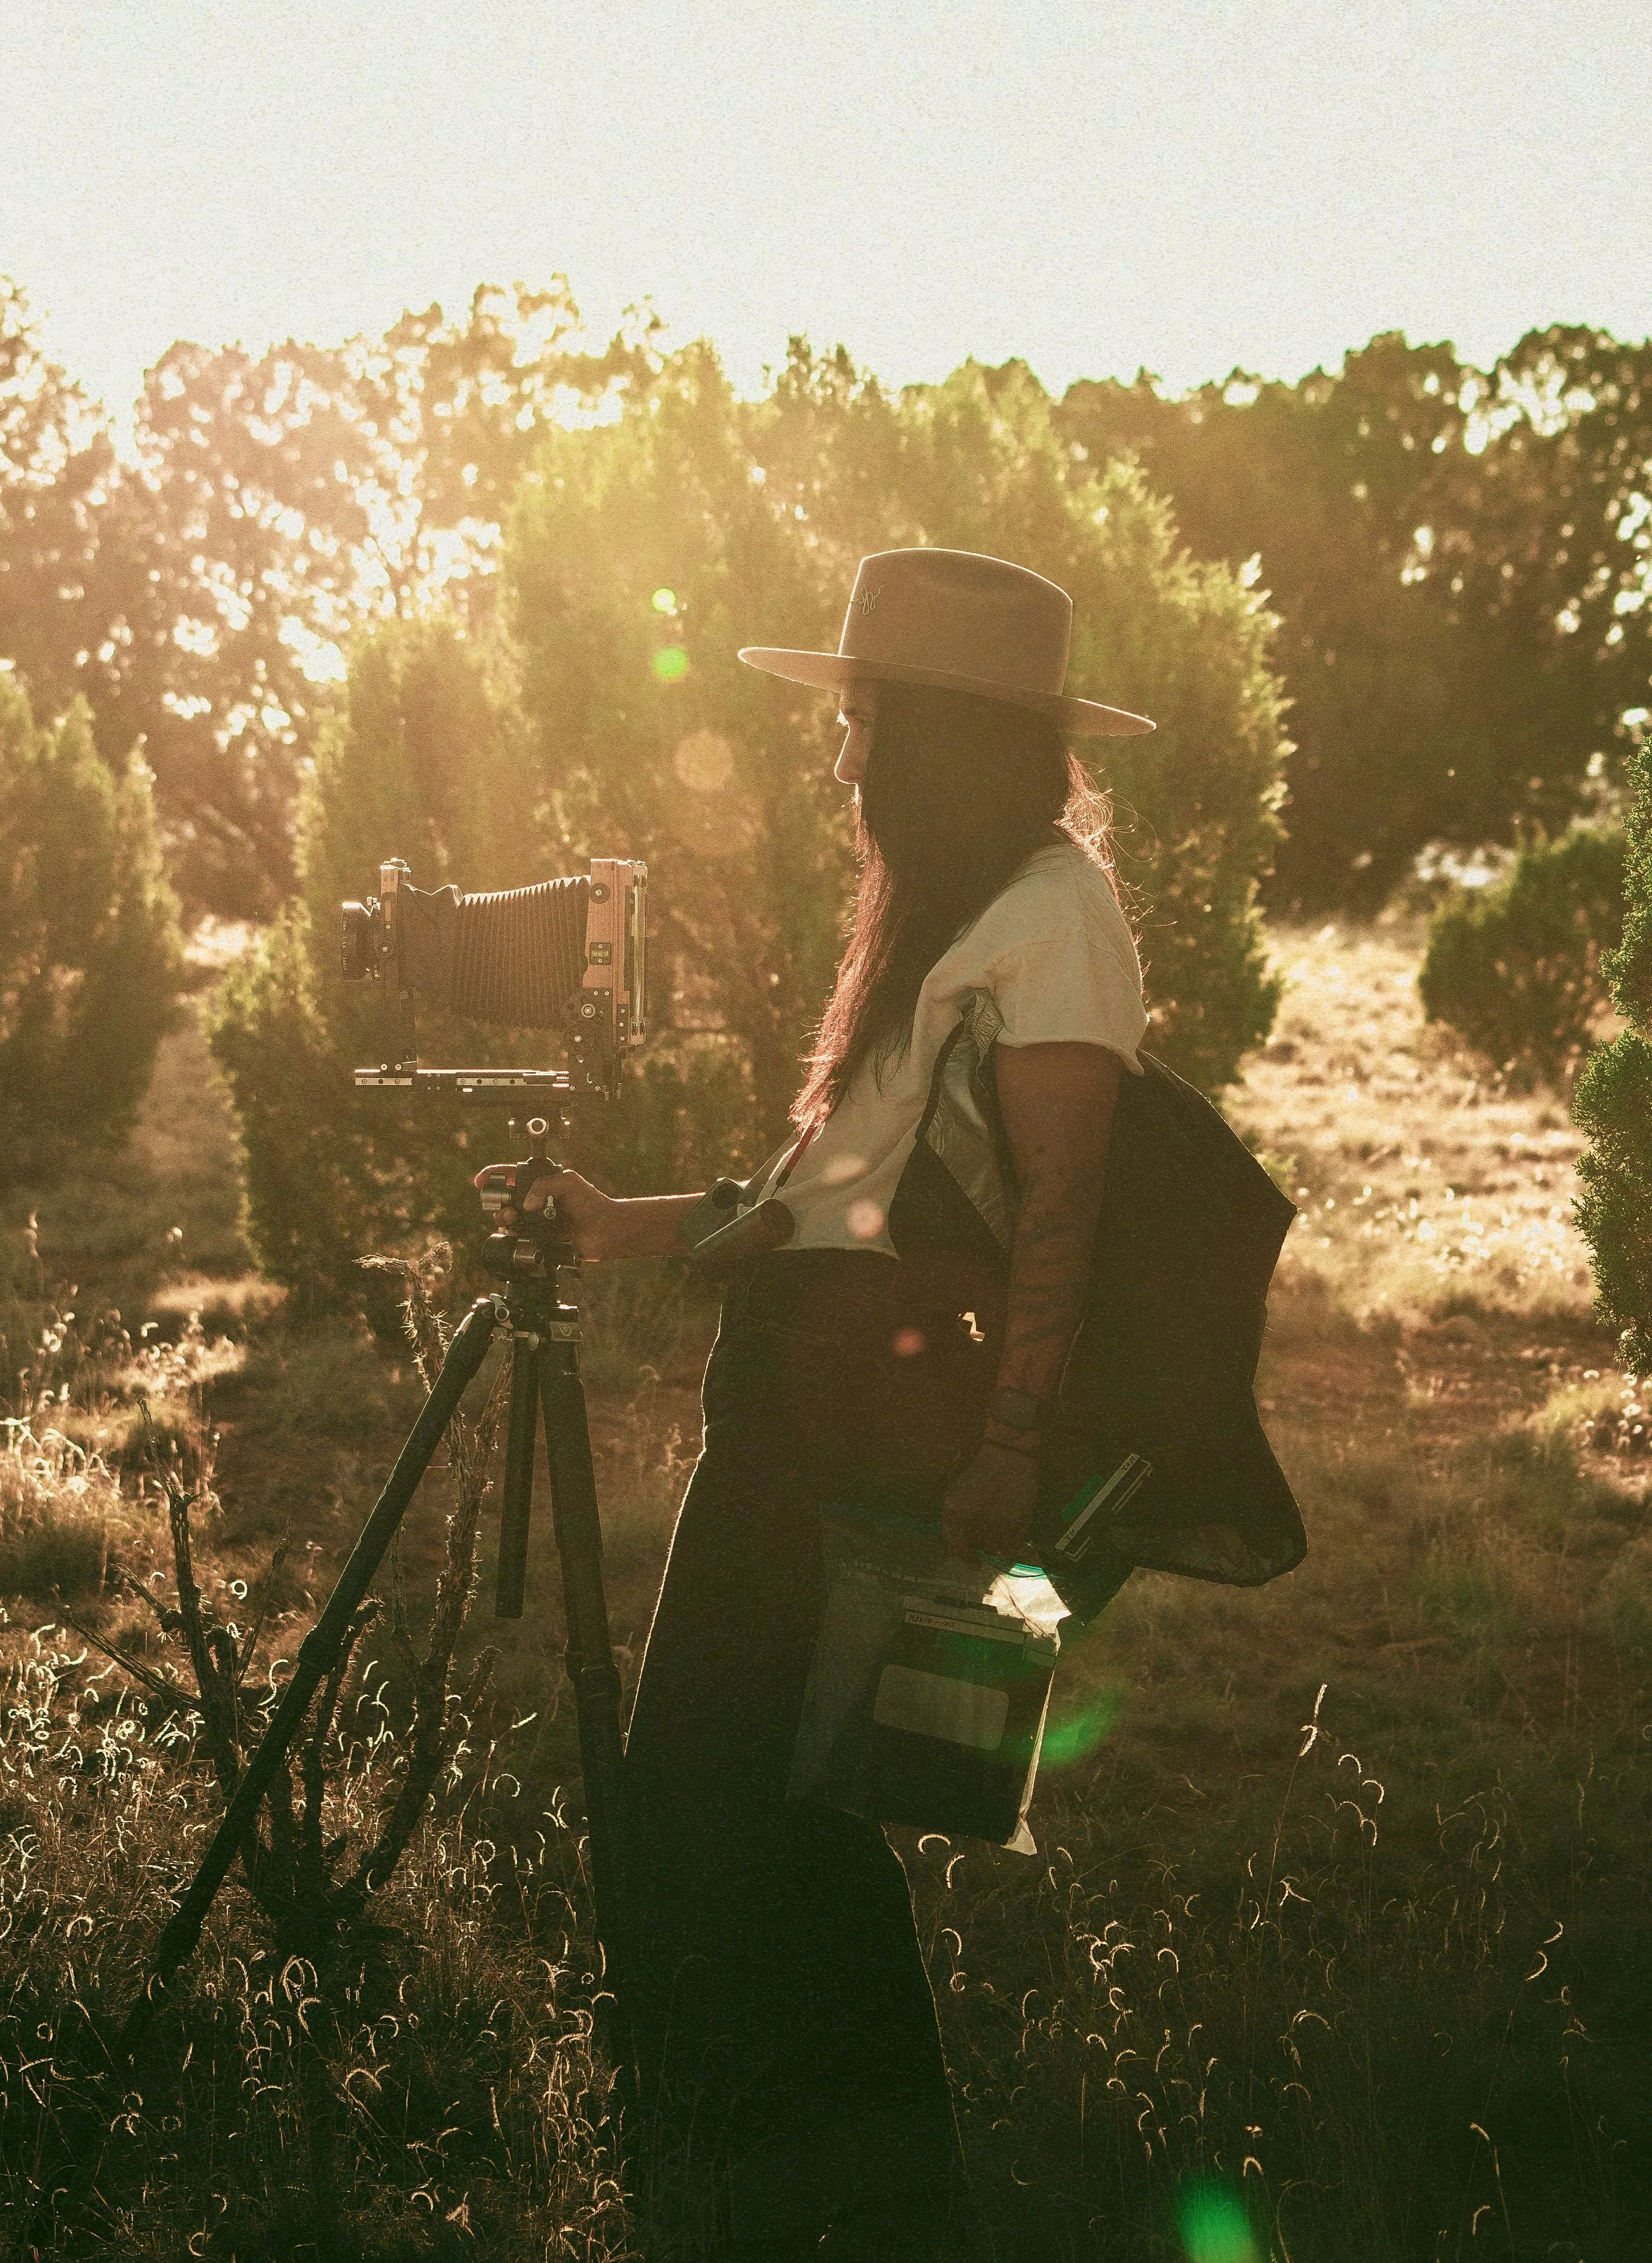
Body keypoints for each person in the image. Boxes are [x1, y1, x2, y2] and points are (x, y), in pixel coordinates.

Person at [513, 549, 1154, 2260]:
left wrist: (1013, 1446)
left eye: (867, 725)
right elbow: (839, 1186)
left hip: (867, 1429)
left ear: (940, 737)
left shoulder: (1048, 919)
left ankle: (847, 2188)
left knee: (757, 1808)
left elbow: (1063, 1206)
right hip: (792, 1404)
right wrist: (634, 1219)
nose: (843, 762)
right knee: (741, 1803)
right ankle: (793, 2172)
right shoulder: (953, 914)